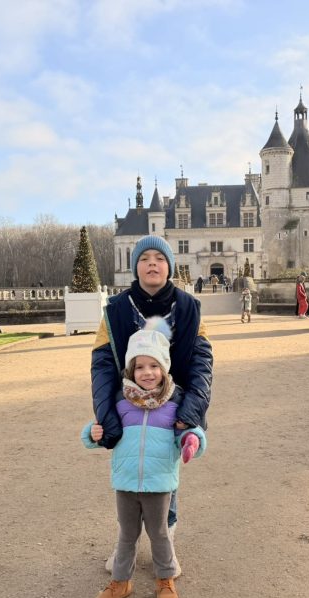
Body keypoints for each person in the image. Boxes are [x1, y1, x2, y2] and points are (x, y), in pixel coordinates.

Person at [91, 234, 213, 577]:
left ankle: (165, 543)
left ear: (169, 266)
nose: (152, 264)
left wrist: (190, 413)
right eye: (145, 258)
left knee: (165, 473)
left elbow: (202, 363)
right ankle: (125, 546)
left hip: (173, 406)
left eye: (160, 258)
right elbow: (101, 365)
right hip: (126, 405)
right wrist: (106, 414)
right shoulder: (115, 309)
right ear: (136, 267)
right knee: (128, 473)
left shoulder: (190, 308)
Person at [83, 319, 207, 598]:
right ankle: (121, 582)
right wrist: (92, 433)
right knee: (126, 535)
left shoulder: (175, 403)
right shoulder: (121, 402)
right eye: (139, 367)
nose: (147, 373)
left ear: (164, 369)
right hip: (125, 482)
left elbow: (188, 432)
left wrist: (192, 440)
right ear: (130, 371)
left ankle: (164, 579)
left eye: (153, 366)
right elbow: (101, 431)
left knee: (160, 533)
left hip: (159, 483)